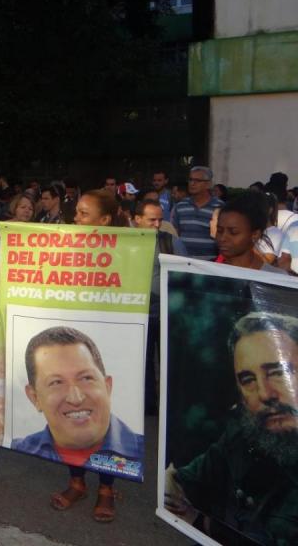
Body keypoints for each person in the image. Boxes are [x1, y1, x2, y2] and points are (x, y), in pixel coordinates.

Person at [164, 312, 298, 545]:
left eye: (279, 373)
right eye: (248, 380)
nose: (265, 394)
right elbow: (179, 484)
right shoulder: (242, 437)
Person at [42, 188, 126, 520]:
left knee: (102, 416)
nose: (76, 219)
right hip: (72, 348)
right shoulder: (64, 248)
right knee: (70, 413)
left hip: (109, 347)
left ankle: (106, 488)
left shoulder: (125, 253)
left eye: (84, 214)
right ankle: (76, 482)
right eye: (75, 213)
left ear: (105, 220)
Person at [13, 327, 144, 521]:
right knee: (68, 436)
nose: (75, 398)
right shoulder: (23, 444)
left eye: (86, 378)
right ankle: (77, 484)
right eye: (56, 382)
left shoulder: (134, 446)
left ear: (107, 386)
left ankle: (106, 488)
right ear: (34, 397)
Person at [133, 199, 187, 414]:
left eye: (160, 219)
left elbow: (185, 275)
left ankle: (169, 407)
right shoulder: (125, 243)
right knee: (143, 363)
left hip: (166, 314)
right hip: (138, 314)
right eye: (151, 220)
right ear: (137, 220)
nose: (157, 224)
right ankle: (147, 407)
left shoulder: (171, 242)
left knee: (168, 363)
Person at [214, 192, 286, 274]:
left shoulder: (275, 278)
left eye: (233, 232)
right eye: (219, 231)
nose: (222, 238)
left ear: (255, 234)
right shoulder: (205, 269)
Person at [171, 166, 224, 260]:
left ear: (208, 184)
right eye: (190, 180)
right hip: (183, 262)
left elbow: (223, 237)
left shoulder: (220, 207)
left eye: (197, 180)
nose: (192, 183)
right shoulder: (180, 206)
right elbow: (175, 234)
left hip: (210, 264)